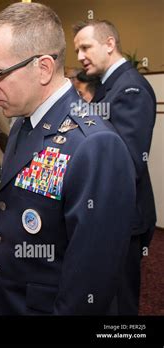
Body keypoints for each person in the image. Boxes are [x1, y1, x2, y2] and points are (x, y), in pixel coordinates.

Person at [0, 2, 136, 315]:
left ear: (43, 68)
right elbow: (11, 205)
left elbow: (89, 283)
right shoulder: (24, 121)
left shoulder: (95, 145)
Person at [74, 19, 157, 315]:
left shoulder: (130, 88)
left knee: (120, 305)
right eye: (77, 50)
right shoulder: (108, 86)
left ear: (109, 44)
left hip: (122, 217)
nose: (80, 56)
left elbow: (128, 163)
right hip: (106, 215)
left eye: (86, 47)